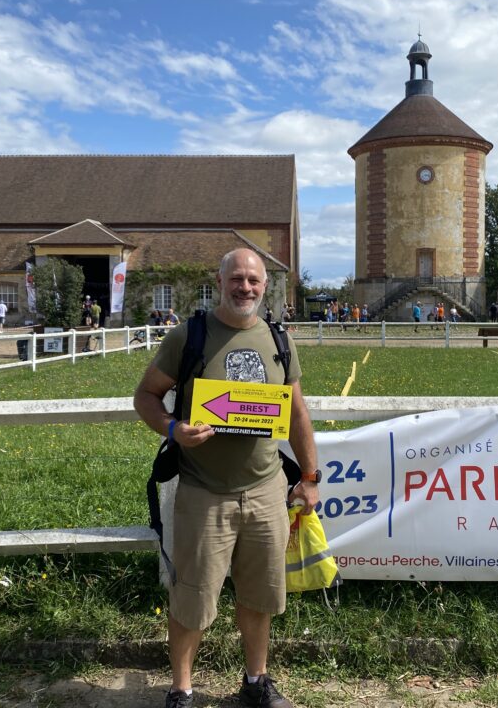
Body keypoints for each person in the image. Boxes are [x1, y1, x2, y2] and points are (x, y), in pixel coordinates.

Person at [134, 248, 319, 708]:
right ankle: (181, 690)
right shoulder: (189, 336)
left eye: (254, 281)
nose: (246, 288)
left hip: (265, 491)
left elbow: (297, 413)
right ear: (220, 282)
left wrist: (310, 477)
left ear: (264, 286)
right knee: (192, 600)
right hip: (204, 494)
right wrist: (175, 429)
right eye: (238, 279)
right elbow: (146, 397)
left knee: (259, 597)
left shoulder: (279, 339)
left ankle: (256, 683)